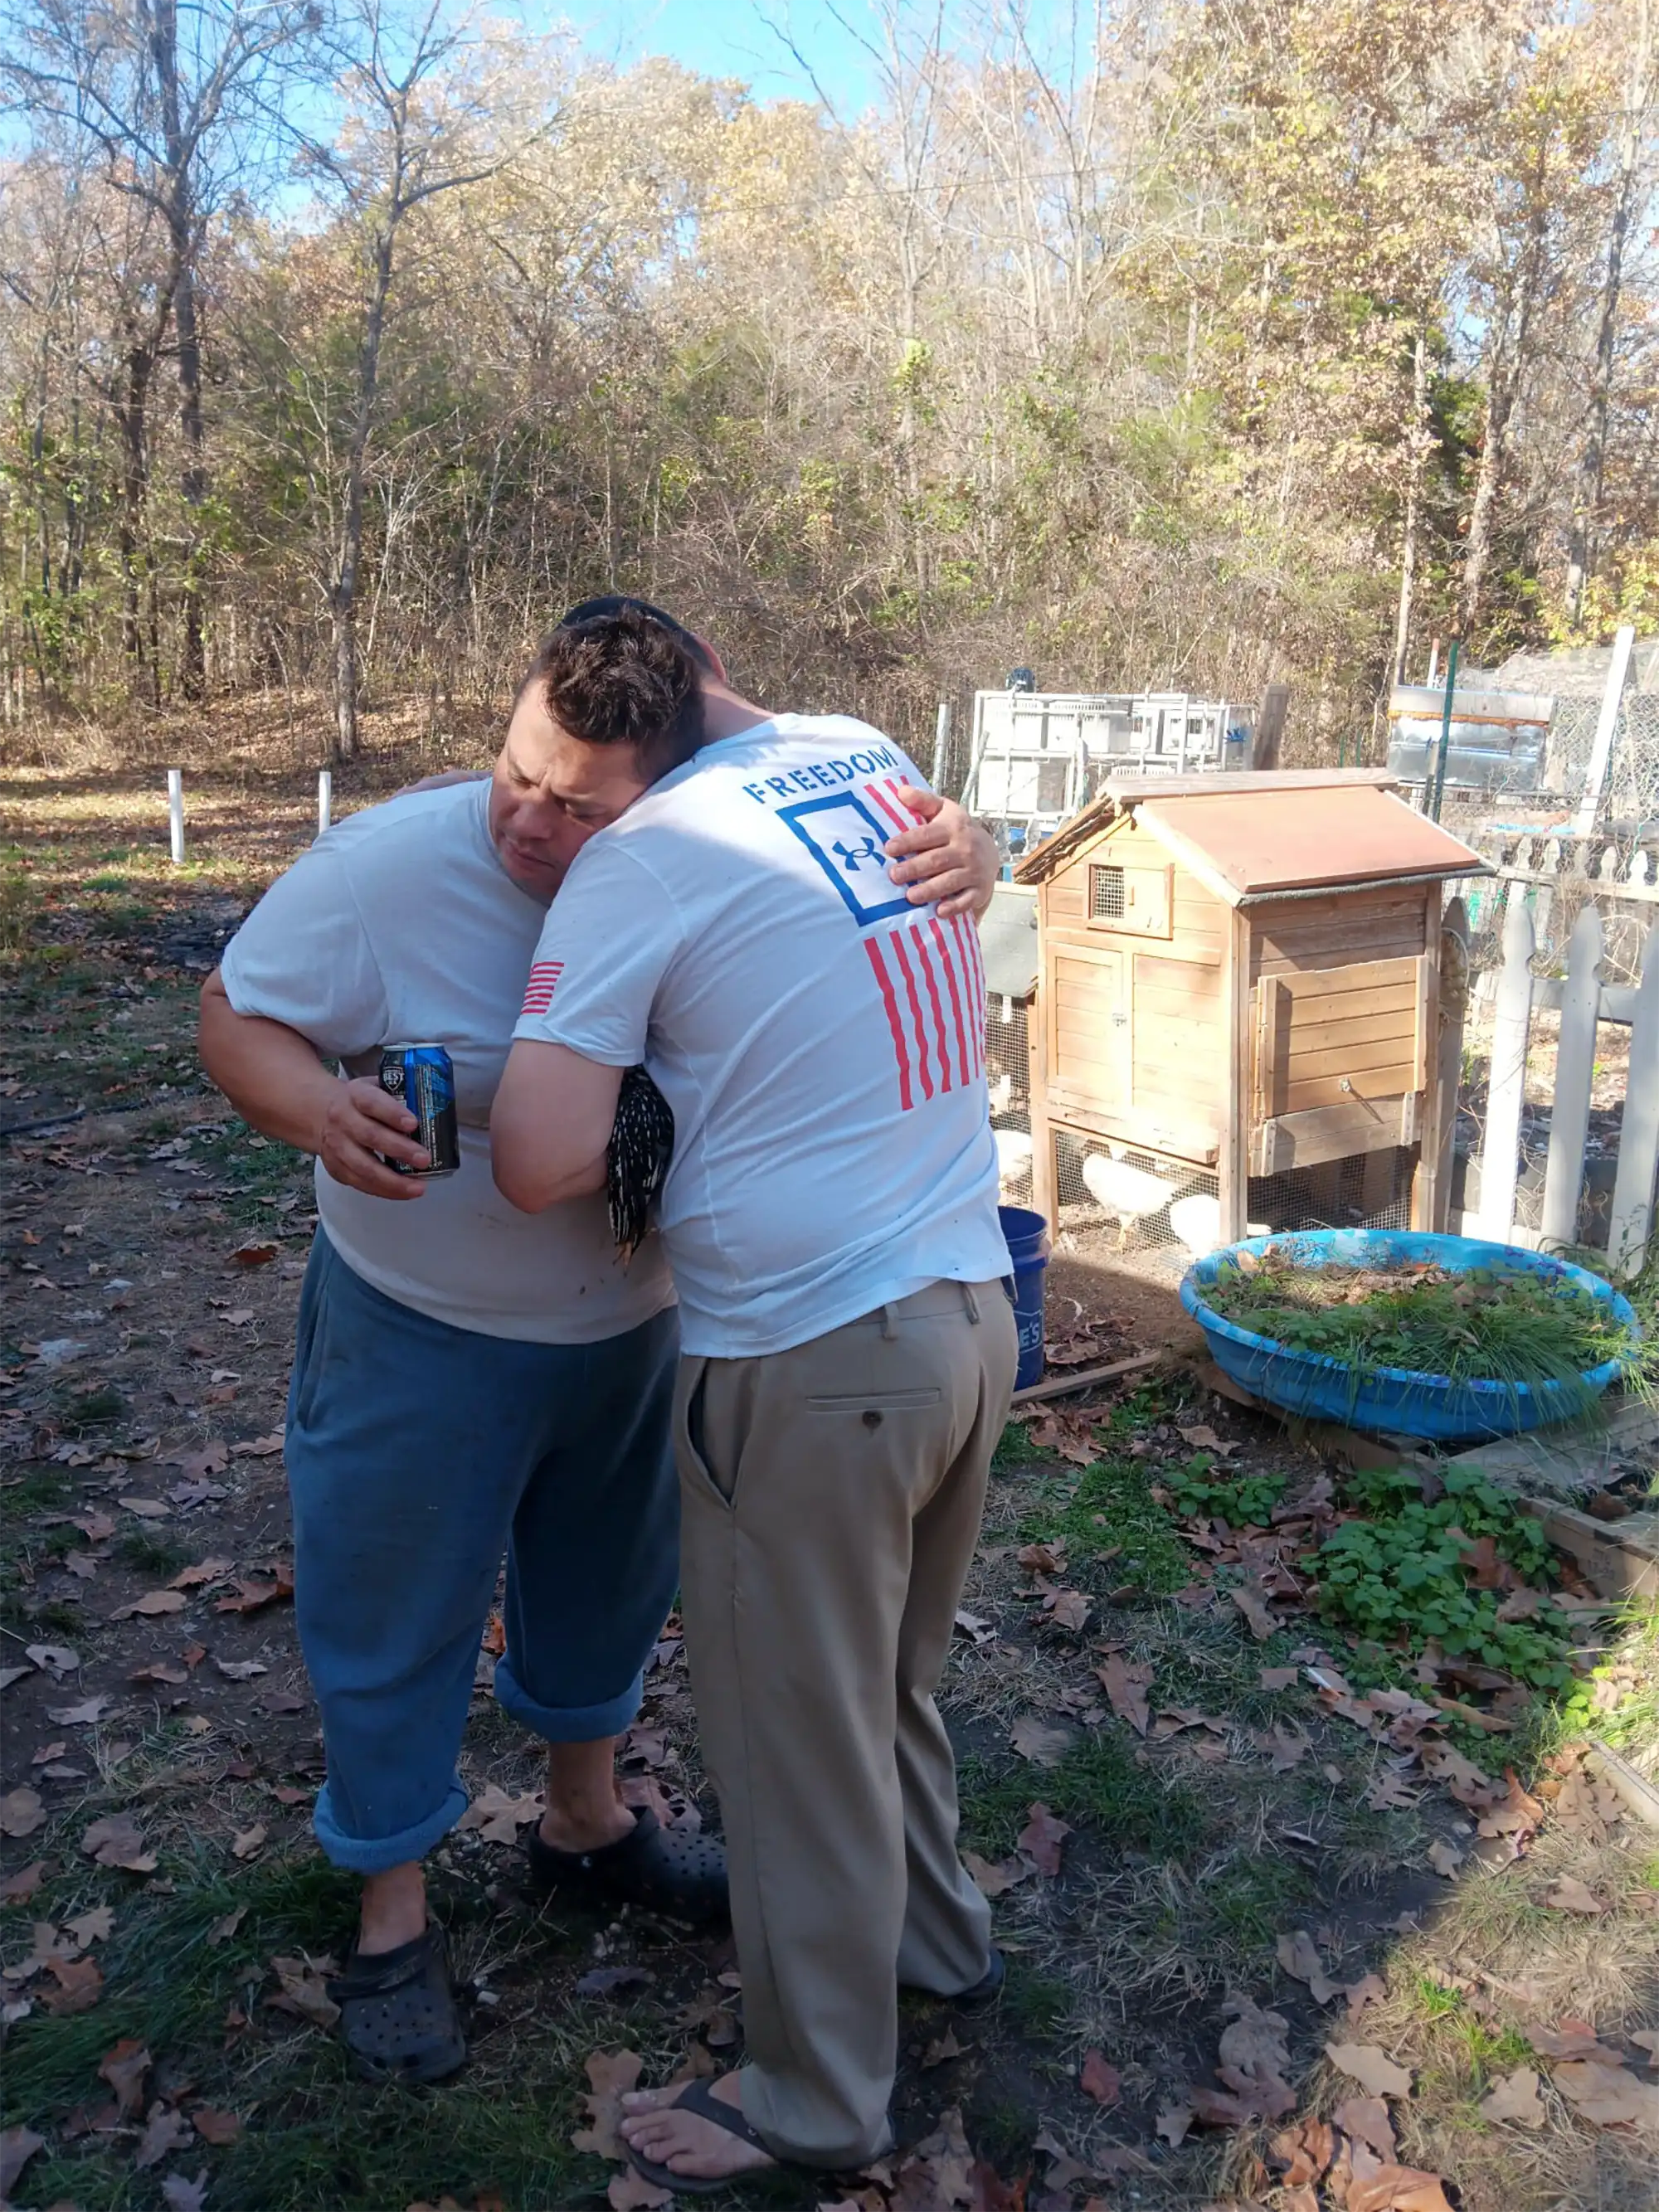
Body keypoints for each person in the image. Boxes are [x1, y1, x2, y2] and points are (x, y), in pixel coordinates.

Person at [195, 599, 998, 2086]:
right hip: (419, 1324)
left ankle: (587, 1820)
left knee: (605, 1591)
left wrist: (978, 847)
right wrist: (315, 1106)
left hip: (633, 1323)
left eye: (577, 805)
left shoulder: (688, 854)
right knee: (395, 1609)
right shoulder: (386, 869)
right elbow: (235, 1014)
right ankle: (389, 1906)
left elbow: (860, 873)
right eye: (516, 770)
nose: (529, 819)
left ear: (664, 784)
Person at [491, 612, 1018, 2187]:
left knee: (794, 1745)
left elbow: (534, 1157)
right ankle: (939, 1941)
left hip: (809, 1360)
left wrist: (664, 1073)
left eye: (572, 788)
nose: (555, 815)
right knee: (890, 1687)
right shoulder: (868, 755)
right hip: (966, 1308)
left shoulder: (645, 857)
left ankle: (812, 2100)